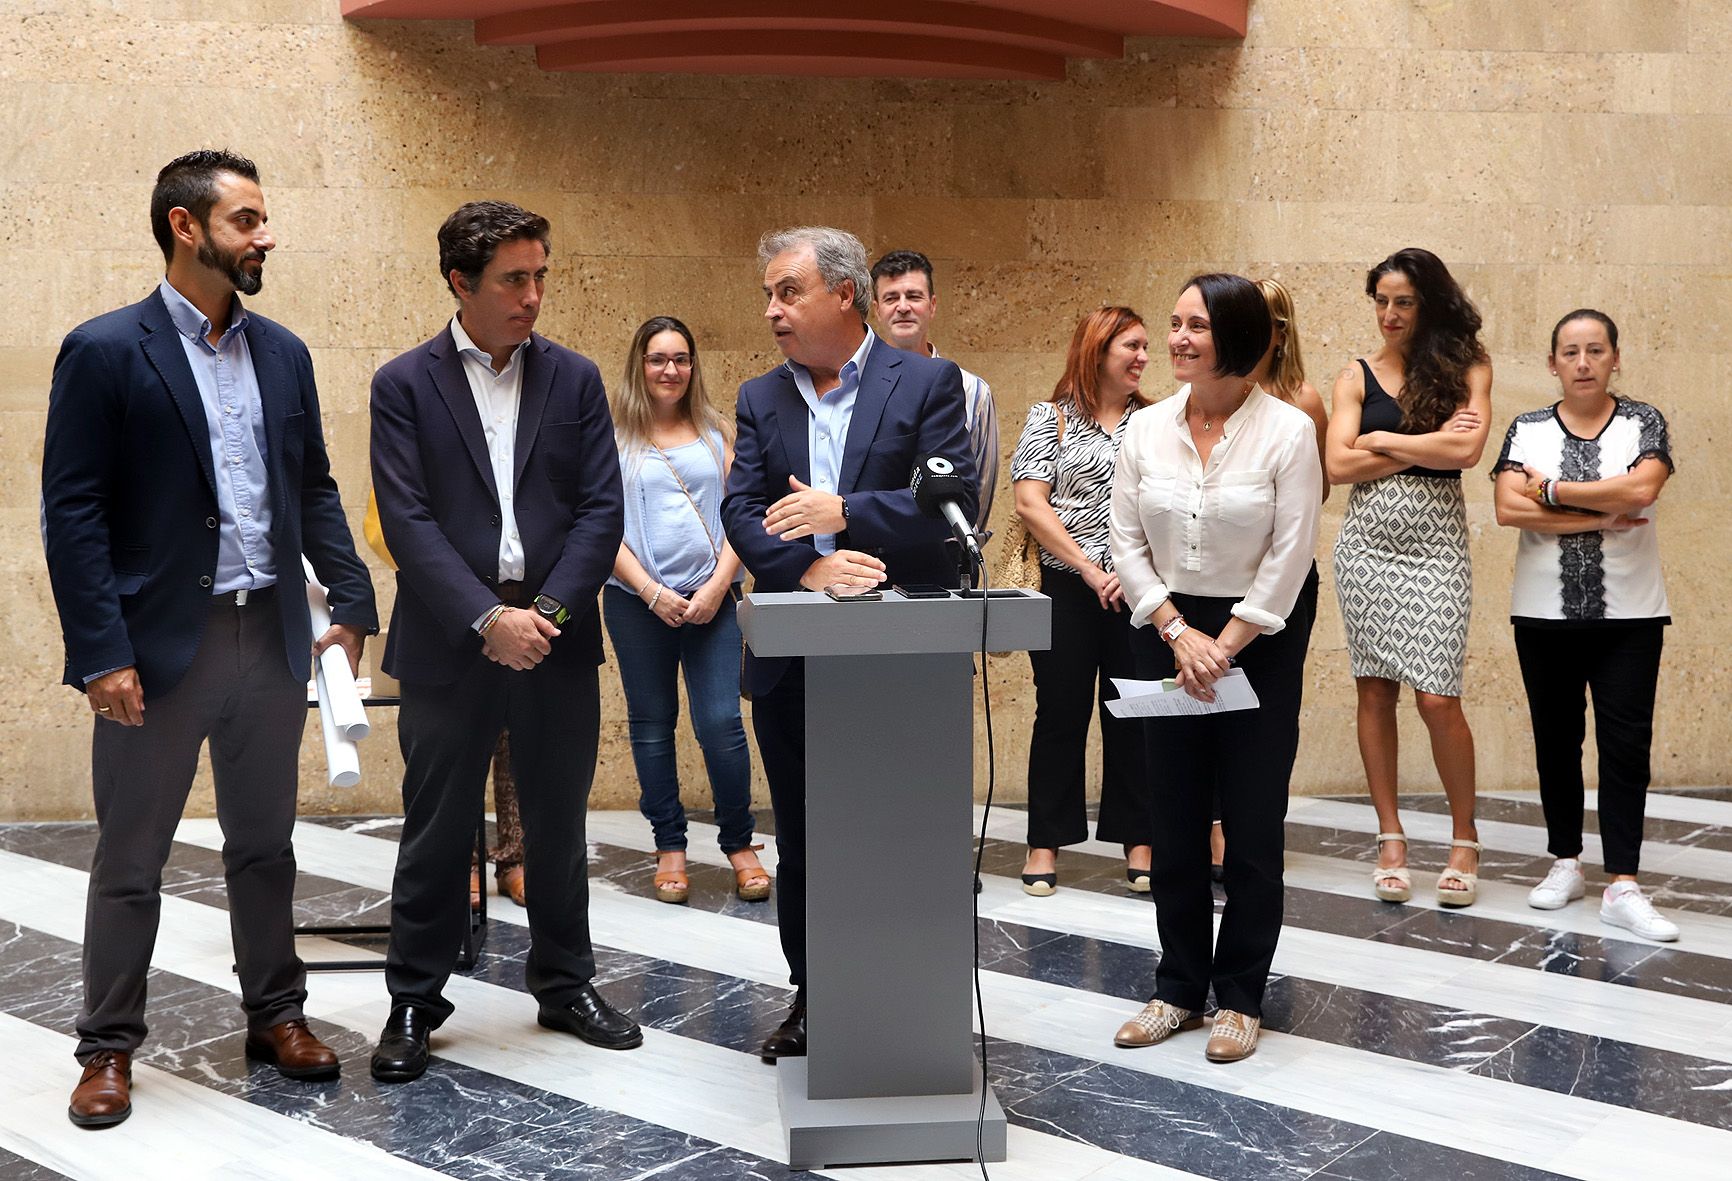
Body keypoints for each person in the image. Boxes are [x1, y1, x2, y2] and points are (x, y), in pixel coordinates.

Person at [42, 149, 378, 1127]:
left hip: (269, 637)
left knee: (265, 845)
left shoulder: (285, 353)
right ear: (186, 227)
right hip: (155, 652)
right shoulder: (106, 349)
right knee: (132, 855)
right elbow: (73, 513)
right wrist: (102, 652)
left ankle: (277, 1014)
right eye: (246, 220)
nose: (266, 236)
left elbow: (313, 484)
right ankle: (107, 1045)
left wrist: (352, 601)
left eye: (264, 219)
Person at [367, 200, 638, 1083]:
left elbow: (601, 511)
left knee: (559, 821)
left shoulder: (576, 379)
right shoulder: (403, 384)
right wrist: (488, 618)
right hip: (451, 638)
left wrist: (544, 616)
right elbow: (406, 520)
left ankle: (565, 983)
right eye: (513, 279)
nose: (532, 296)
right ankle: (415, 998)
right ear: (461, 282)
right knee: (437, 827)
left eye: (540, 276)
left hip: (555, 635)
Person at [722, 225, 974, 1063]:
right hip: (792, 658)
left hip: (899, 658)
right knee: (803, 835)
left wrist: (846, 512)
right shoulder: (759, 397)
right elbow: (740, 509)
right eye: (768, 295)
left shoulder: (927, 381)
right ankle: (814, 994)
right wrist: (807, 568)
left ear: (843, 293)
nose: (772, 310)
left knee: (898, 832)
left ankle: (904, 995)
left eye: (787, 291)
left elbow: (954, 500)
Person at [1108, 273, 1321, 1064]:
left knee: (1253, 820)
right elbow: (1125, 540)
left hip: (1260, 632)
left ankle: (1240, 997)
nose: (1177, 338)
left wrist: (1220, 645)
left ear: (1237, 335)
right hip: (1164, 627)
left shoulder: (1288, 432)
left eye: (1195, 325)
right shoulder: (1146, 428)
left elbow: (1291, 555)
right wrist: (1176, 630)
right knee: (1173, 815)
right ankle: (1177, 988)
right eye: (1174, 322)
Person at [1493, 309, 1678, 941]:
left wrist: (1551, 491)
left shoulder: (1642, 421)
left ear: (1615, 358)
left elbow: (1643, 489)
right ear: (1552, 363)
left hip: (1632, 614)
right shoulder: (1527, 428)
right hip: (1542, 612)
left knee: (1626, 746)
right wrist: (1598, 513)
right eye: (1570, 352)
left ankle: (1623, 882)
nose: (1582, 363)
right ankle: (1565, 861)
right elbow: (1506, 507)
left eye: (1595, 350)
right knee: (1556, 739)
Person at [1327, 247, 1492, 908]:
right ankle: (1390, 838)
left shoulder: (1467, 366)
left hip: (1437, 550)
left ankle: (1464, 837)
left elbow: (1467, 450)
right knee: (1374, 691)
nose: (1390, 314)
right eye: (1382, 301)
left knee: (1437, 698)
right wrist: (1423, 444)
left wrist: (1381, 441)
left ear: (1429, 303)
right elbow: (1338, 465)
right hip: (1366, 550)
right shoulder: (1356, 374)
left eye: (1404, 302)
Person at [605, 316, 769, 906]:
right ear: (639, 365)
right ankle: (669, 846)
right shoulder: (611, 437)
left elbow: (743, 515)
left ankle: (739, 843)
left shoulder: (716, 432)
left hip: (712, 602)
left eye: (680, 358)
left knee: (721, 723)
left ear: (693, 366)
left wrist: (718, 587)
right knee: (651, 725)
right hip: (635, 603)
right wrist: (651, 592)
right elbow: (599, 526)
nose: (670, 370)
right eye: (658, 359)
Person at [1008, 307, 1153, 896]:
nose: (1144, 357)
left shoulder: (1158, 421)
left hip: (1139, 590)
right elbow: (1030, 502)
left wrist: (1131, 572)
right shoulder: (1052, 418)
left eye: (1145, 347)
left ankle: (1140, 839)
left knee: (1136, 714)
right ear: (1098, 350)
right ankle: (1044, 843)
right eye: (1132, 346)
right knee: (1060, 714)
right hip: (1067, 586)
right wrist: (1091, 569)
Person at [1209, 278, 1330, 880]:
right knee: (1199, 706)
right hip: (1211, 578)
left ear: (1280, 333)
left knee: (1264, 715)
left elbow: (1315, 494)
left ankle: (1250, 831)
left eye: (1271, 321)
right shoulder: (1205, 395)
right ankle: (1209, 827)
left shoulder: (1300, 404)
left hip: (1280, 577)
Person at [364, 489, 526, 909]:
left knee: (516, 738)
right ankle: (462, 862)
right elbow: (385, 524)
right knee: (452, 749)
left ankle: (515, 857)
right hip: (441, 598)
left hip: (521, 594)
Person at [870, 249, 999, 530]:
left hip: (948, 548)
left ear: (933, 305)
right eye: (891, 298)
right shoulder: (854, 387)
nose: (903, 307)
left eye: (914, 296)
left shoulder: (973, 390)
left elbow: (979, 489)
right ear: (876, 309)